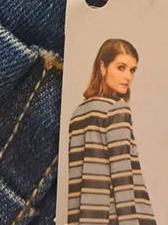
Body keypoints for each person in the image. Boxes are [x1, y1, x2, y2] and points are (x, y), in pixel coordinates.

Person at [67, 39, 157, 224]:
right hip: (114, 217)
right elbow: (122, 177)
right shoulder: (116, 109)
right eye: (121, 68)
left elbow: (76, 183)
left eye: (132, 70)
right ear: (103, 67)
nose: (128, 77)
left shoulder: (78, 114)